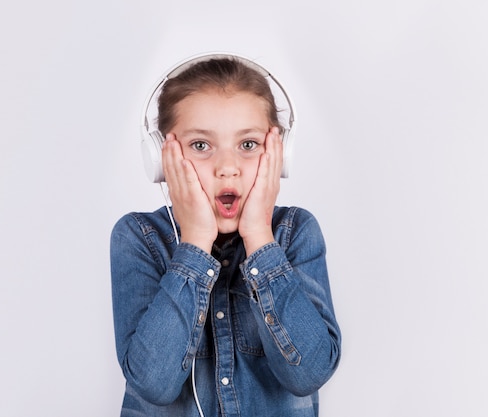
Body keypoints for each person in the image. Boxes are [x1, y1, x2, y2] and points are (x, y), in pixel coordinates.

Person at [110, 53, 341, 417]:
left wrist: (260, 238)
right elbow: (154, 383)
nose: (227, 168)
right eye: (201, 145)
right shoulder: (138, 238)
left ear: (279, 154)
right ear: (160, 158)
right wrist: (195, 244)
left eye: (248, 145)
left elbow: (308, 373)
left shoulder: (295, 233)